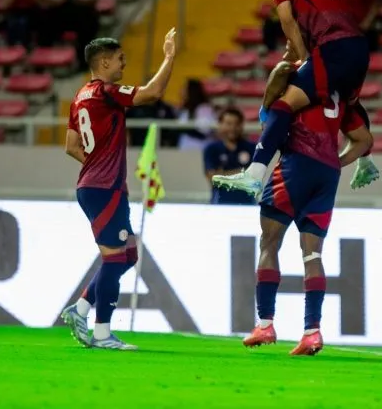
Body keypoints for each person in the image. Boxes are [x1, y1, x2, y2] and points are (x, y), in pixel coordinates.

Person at [213, 0, 370, 199]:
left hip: (332, 47)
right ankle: (366, 160)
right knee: (351, 103)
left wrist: (304, 57)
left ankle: (255, 174)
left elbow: (286, 19)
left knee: (283, 105)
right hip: (359, 47)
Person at [241, 60, 376, 356]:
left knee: (269, 243)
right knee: (313, 254)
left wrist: (281, 73)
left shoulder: (302, 81)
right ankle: (312, 332)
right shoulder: (339, 93)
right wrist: (336, 162)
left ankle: (265, 324)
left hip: (296, 165)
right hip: (326, 175)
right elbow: (364, 139)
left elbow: (279, 76)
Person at [60, 31, 177, 351]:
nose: (124, 64)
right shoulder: (105, 92)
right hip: (104, 188)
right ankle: (101, 333)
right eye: (120, 59)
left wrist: (97, 162)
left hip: (95, 185)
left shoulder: (80, 96)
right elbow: (152, 93)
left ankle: (80, 309)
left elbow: (71, 145)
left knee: (127, 255)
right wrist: (169, 56)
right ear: (104, 62)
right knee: (114, 258)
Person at [203, 108, 255, 205]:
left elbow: (254, 176)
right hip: (220, 205)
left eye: (236, 124)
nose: (232, 128)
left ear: (242, 125)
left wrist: (222, 174)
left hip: (247, 205)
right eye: (228, 124)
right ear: (220, 124)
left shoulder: (252, 148)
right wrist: (241, 172)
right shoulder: (212, 149)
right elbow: (213, 179)